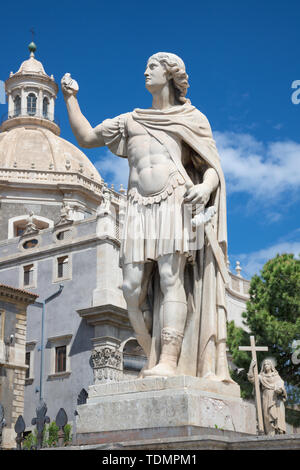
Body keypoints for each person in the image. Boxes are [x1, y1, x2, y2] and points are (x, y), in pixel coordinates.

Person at [61, 52, 232, 381]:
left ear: (169, 74)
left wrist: (206, 188)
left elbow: (212, 167)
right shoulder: (130, 120)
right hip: (137, 206)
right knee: (130, 287)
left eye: (151, 67)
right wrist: (71, 100)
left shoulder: (191, 118)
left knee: (171, 279)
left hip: (175, 200)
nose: (144, 72)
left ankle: (168, 359)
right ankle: (154, 351)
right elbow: (86, 137)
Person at [248, 359, 287, 435]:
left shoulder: (276, 376)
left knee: (278, 417)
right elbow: (252, 379)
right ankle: (269, 434)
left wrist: (280, 390)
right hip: (265, 398)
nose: (266, 365)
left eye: (268, 364)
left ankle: (278, 433)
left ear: (271, 366)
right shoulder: (261, 377)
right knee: (267, 417)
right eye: (264, 364)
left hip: (276, 399)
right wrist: (251, 367)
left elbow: (281, 385)